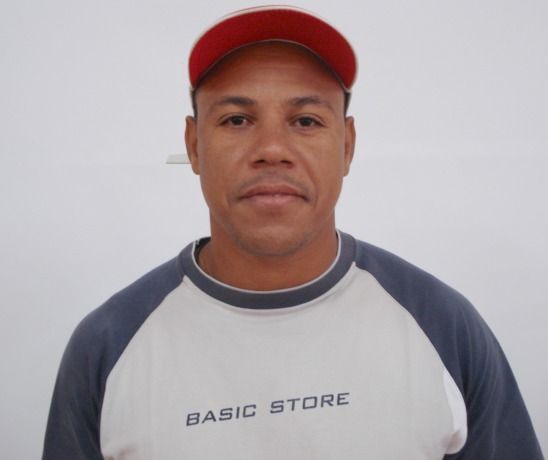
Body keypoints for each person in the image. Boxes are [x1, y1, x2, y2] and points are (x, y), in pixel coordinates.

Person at [42, 5, 544, 459]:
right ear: (194, 146)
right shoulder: (108, 345)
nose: (272, 149)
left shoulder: (443, 326)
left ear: (346, 146)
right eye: (236, 119)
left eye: (305, 120)